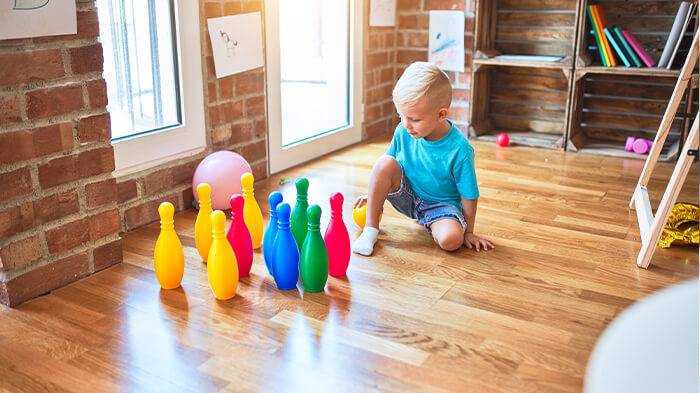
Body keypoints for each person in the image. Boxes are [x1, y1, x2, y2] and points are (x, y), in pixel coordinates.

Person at [352, 62, 494, 256]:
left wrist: (469, 232)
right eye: (401, 116)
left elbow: (469, 194)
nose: (406, 125)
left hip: (441, 206)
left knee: (451, 241)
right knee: (383, 162)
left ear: (441, 114)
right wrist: (375, 194)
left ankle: (432, 222)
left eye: (415, 119)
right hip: (408, 195)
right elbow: (386, 167)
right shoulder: (403, 131)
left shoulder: (460, 149)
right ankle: (370, 230)